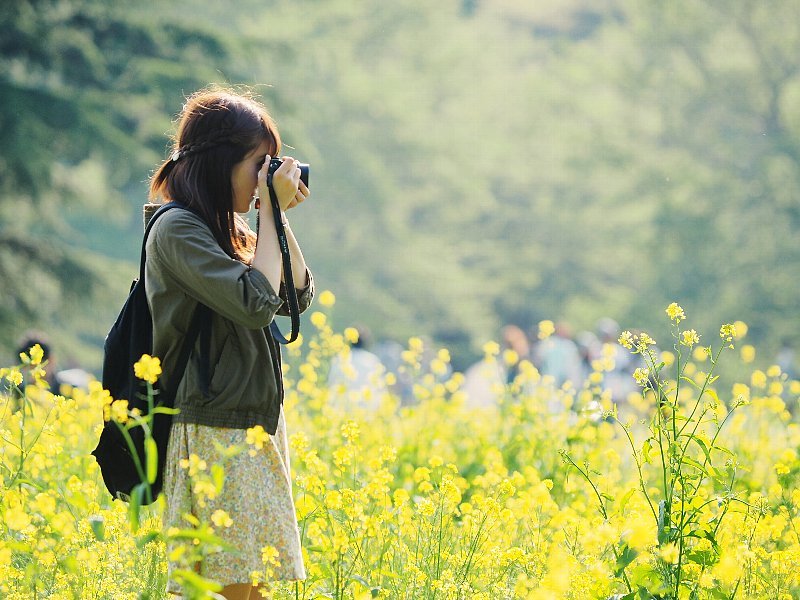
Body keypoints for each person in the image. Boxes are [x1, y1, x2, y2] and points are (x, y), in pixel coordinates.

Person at [146, 87, 314, 600]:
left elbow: (296, 296)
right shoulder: (177, 229)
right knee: (222, 589)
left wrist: (275, 215)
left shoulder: (230, 230)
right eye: (260, 164)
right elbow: (254, 302)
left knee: (246, 586)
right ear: (221, 163)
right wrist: (269, 214)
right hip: (212, 425)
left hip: (246, 420)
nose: (269, 174)